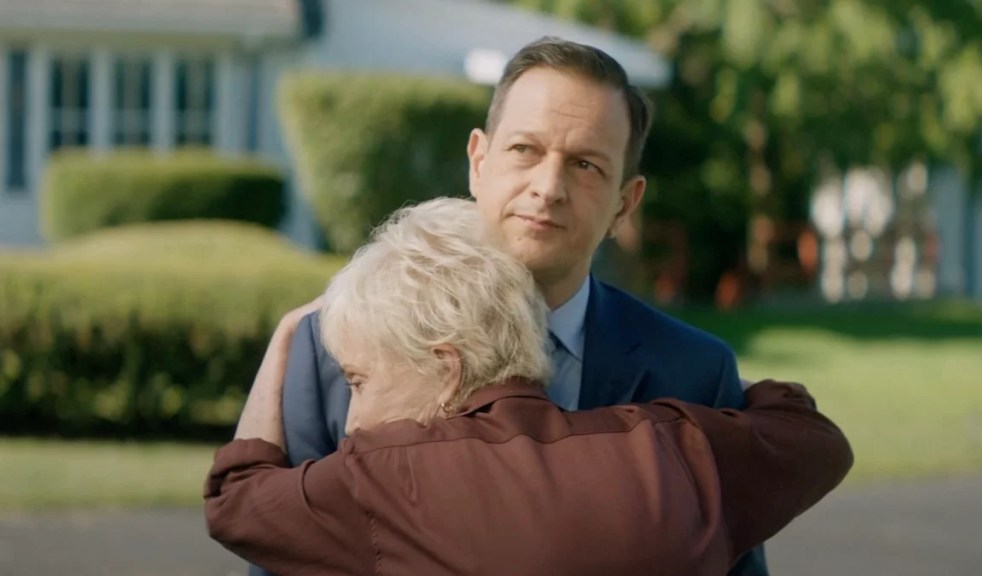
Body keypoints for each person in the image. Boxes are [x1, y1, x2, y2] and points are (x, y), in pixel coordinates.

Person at [273, 37, 769, 576]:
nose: (549, 187)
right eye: (525, 150)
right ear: (478, 161)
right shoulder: (328, 351)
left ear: (624, 204)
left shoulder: (695, 374)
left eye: (585, 165)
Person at [206, 198, 854, 576]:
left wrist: (285, 336)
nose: (352, 420)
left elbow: (235, 501)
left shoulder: (384, 482)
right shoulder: (669, 452)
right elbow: (813, 440)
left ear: (447, 368)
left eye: (360, 380)